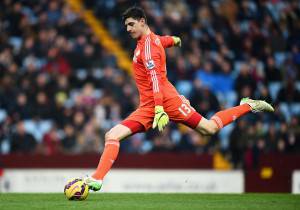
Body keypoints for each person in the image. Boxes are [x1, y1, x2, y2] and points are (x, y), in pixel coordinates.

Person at [84, 6, 274, 191]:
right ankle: (97, 179)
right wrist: (174, 40)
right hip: (148, 106)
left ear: (142, 22)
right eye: (126, 26)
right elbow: (162, 40)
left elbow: (156, 80)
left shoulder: (148, 47)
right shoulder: (151, 40)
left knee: (209, 128)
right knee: (112, 135)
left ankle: (247, 105)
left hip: (166, 101)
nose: (128, 29)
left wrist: (159, 108)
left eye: (131, 24)